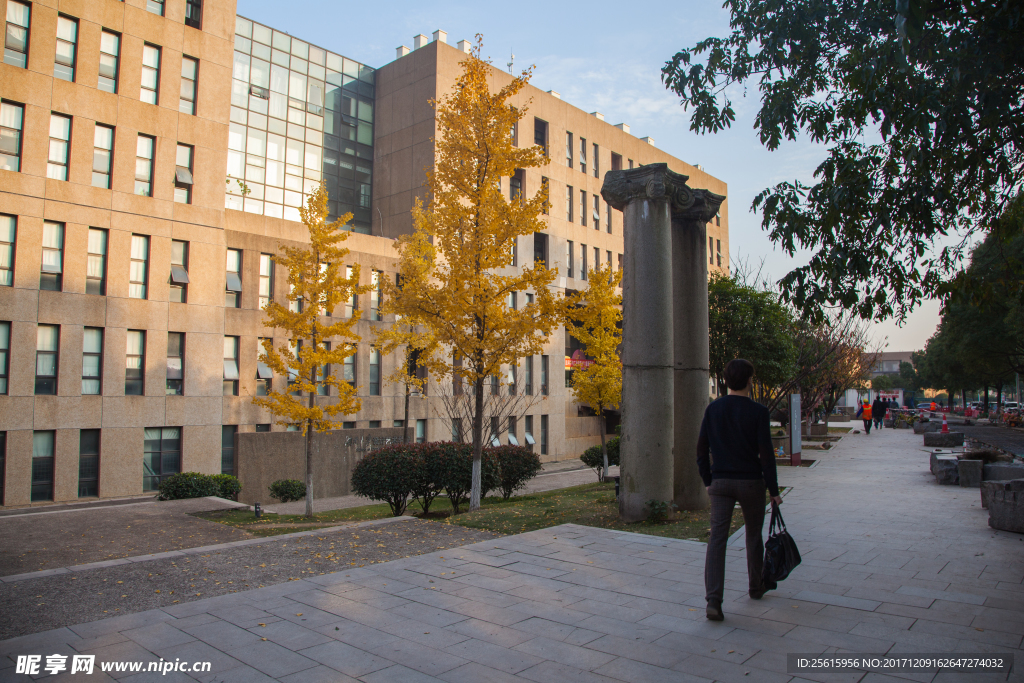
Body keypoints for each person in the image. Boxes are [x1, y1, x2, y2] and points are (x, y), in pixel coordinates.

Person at [696, 358, 782, 622]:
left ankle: (713, 601)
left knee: (717, 540)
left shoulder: (713, 409)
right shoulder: (759, 412)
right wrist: (774, 490)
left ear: (726, 381)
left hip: (720, 483)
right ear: (749, 381)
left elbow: (701, 449)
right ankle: (756, 586)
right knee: (753, 536)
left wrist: (708, 480)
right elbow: (766, 455)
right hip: (750, 483)